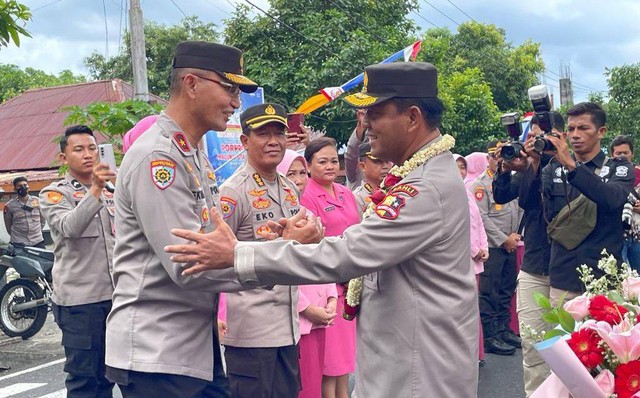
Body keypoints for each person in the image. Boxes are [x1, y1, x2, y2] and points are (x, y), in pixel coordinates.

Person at [166, 62, 479, 398]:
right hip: (392, 360)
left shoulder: (423, 188)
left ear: (413, 117)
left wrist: (237, 254)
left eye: (374, 112)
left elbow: (349, 253)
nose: (366, 123)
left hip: (417, 374)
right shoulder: (420, 178)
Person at [104, 41, 260, 398]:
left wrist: (265, 243)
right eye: (230, 88)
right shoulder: (159, 158)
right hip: (157, 354)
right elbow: (190, 264)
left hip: (189, 345)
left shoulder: (191, 153)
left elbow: (213, 240)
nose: (236, 103)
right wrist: (278, 259)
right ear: (191, 84)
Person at [218, 103, 303, 398]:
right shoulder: (232, 192)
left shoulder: (290, 188)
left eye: (279, 133)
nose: (273, 141)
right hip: (251, 333)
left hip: (289, 328)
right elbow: (216, 257)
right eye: (262, 133)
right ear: (244, 141)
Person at [39, 124, 117, 398]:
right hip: (81, 304)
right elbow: (70, 228)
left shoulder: (113, 191)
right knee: (86, 381)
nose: (88, 154)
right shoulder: (54, 194)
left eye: (93, 148)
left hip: (118, 298)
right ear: (63, 157)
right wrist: (94, 189)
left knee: (115, 375)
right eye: (79, 149)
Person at [493, 111, 564, 396]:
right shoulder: (529, 168)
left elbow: (536, 195)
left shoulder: (571, 168)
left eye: (539, 137)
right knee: (533, 345)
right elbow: (502, 195)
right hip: (535, 261)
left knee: (569, 345)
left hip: (566, 265)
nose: (533, 143)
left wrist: (538, 163)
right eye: (530, 137)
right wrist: (505, 168)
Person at [535, 102, 634, 302]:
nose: (575, 135)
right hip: (564, 277)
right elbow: (529, 205)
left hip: (604, 278)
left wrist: (572, 166)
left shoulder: (619, 167)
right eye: (570, 129)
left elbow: (612, 198)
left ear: (601, 132)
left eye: (583, 128)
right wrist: (530, 165)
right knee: (562, 334)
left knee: (607, 334)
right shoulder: (553, 168)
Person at [300, 137, 360, 398]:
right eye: (322, 161)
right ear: (309, 166)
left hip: (351, 281)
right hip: (326, 283)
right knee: (330, 364)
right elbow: (313, 243)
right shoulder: (307, 195)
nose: (330, 166)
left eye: (334, 160)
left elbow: (357, 231)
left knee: (345, 362)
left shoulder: (346, 192)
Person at [277, 149, 338, 398]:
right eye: (291, 173)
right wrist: (306, 308)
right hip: (296, 319)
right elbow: (278, 269)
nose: (299, 180)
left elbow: (323, 259)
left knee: (315, 385)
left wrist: (332, 297)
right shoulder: (277, 218)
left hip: (320, 317)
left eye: (303, 173)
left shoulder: (310, 216)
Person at [472, 140, 522, 356]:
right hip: (493, 246)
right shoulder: (480, 185)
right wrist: (504, 239)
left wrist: (515, 236)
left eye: (503, 155)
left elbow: (520, 209)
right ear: (488, 158)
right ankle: (491, 336)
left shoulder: (510, 181)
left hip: (511, 244)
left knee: (506, 289)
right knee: (489, 292)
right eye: (495, 155)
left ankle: (504, 329)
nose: (499, 160)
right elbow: (481, 217)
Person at [454, 154, 488, 367]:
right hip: (461, 261)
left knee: (473, 307)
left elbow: (479, 224)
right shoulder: (450, 197)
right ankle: (463, 355)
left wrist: (484, 248)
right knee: (462, 310)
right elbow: (459, 230)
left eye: (463, 168)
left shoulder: (467, 194)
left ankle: (476, 353)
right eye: (456, 168)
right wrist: (475, 250)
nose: (460, 172)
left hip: (476, 261)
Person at [610, 135, 640, 272]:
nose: (622, 156)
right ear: (612, 154)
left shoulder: (638, 174)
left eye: (625, 152)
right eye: (618, 153)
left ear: (632, 153)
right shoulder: (607, 175)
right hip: (617, 233)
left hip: (637, 235)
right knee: (619, 277)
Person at [4, 176, 46, 248]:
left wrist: (37, 231)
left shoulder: (37, 201)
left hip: (37, 241)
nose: (23, 187)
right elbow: (8, 226)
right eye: (19, 186)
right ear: (14, 189)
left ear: (28, 187)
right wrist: (18, 237)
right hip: (18, 243)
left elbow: (43, 219)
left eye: (25, 185)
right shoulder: (9, 206)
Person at [352, 142, 392, 214]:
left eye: (387, 161)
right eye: (378, 162)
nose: (385, 166)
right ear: (363, 167)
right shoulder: (356, 198)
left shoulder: (397, 189)